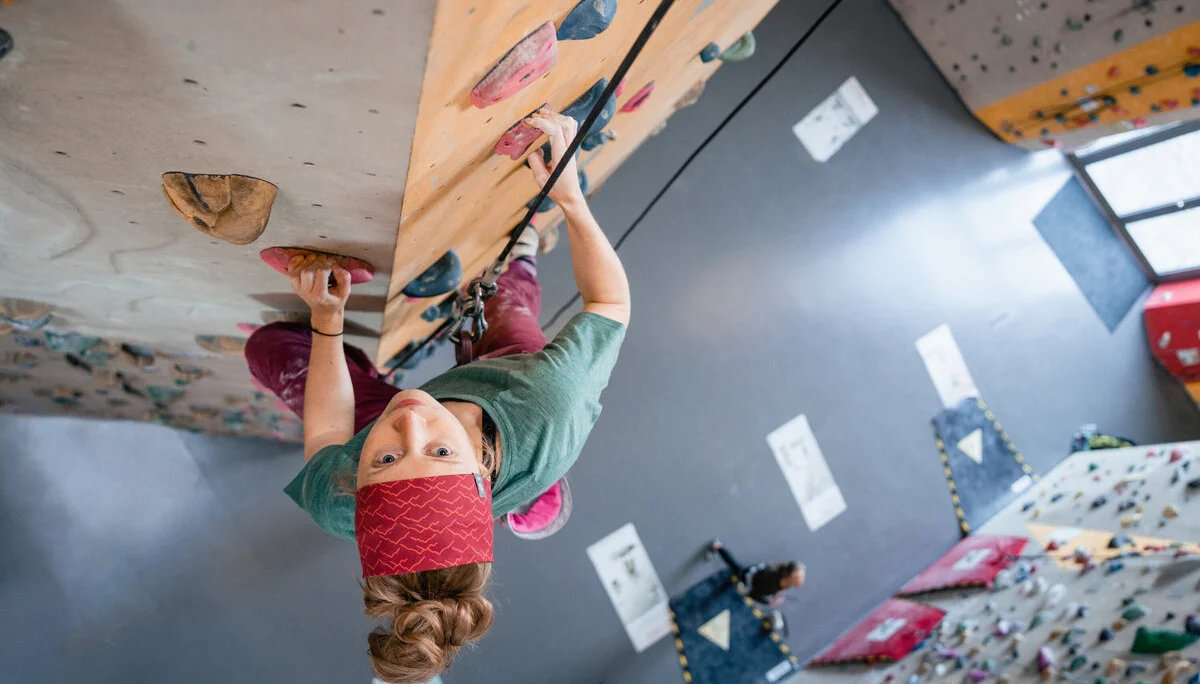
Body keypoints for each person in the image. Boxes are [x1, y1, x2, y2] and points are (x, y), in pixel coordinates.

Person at [245, 110, 630, 684]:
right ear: (482, 470)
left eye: (385, 459)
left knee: (269, 349)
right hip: (507, 383)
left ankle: (375, 393)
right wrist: (571, 199)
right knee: (506, 306)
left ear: (356, 486)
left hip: (438, 440)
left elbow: (327, 433)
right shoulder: (548, 406)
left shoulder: (340, 501)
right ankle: (522, 268)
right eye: (442, 453)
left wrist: (328, 319)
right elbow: (609, 304)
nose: (410, 423)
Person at [707, 538, 805, 609]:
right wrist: (769, 602)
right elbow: (753, 594)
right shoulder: (770, 581)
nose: (801, 582)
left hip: (756, 572)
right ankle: (717, 546)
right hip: (748, 577)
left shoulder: (785, 581)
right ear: (787, 576)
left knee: (735, 569)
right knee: (734, 566)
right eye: (798, 578)